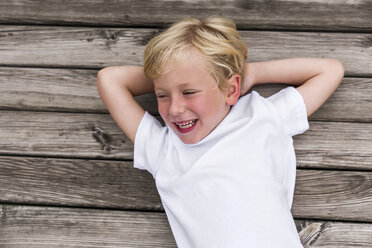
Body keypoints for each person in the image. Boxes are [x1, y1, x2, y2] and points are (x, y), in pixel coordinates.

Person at [97, 17, 344, 248]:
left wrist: (253, 73)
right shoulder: (163, 149)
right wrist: (169, 73)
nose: (174, 108)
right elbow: (109, 79)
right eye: (162, 95)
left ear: (231, 89)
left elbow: (330, 71)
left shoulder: (261, 117)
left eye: (189, 92)